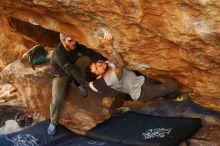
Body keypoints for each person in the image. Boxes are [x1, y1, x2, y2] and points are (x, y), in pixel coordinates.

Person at [88, 32, 188, 102]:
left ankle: (172, 97)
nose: (99, 64)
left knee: (163, 89)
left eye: (96, 64)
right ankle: (171, 96)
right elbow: (120, 65)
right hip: (141, 93)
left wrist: (102, 43)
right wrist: (109, 47)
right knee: (174, 85)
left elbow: (104, 53)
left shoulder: (107, 64)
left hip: (142, 80)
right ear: (98, 77)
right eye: (97, 68)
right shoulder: (110, 81)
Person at [48, 33, 106, 135]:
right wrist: (86, 83)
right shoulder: (58, 53)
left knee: (87, 59)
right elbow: (72, 70)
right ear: (63, 41)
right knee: (57, 99)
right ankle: (53, 122)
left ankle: (76, 83)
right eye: (70, 41)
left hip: (72, 67)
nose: (73, 43)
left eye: (74, 40)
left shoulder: (75, 45)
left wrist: (101, 60)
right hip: (60, 75)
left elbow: (90, 53)